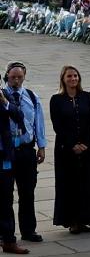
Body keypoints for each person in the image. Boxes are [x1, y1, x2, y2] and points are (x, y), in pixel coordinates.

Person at [49, 65, 90, 235]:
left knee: (87, 182)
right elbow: (58, 124)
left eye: (75, 76)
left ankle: (85, 218)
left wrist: (86, 143)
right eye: (69, 76)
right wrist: (72, 144)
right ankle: (72, 220)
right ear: (63, 79)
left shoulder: (86, 97)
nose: (73, 79)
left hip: (86, 147)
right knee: (69, 183)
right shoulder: (56, 99)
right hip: (66, 149)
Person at [5, 61, 46, 242]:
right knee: (5, 194)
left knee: (27, 192)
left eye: (19, 77)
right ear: (7, 76)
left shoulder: (31, 96)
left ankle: (28, 230)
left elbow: (39, 123)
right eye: (13, 77)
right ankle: (6, 233)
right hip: (6, 152)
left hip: (26, 150)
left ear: (24, 77)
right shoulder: (1, 96)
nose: (16, 80)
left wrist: (42, 146)